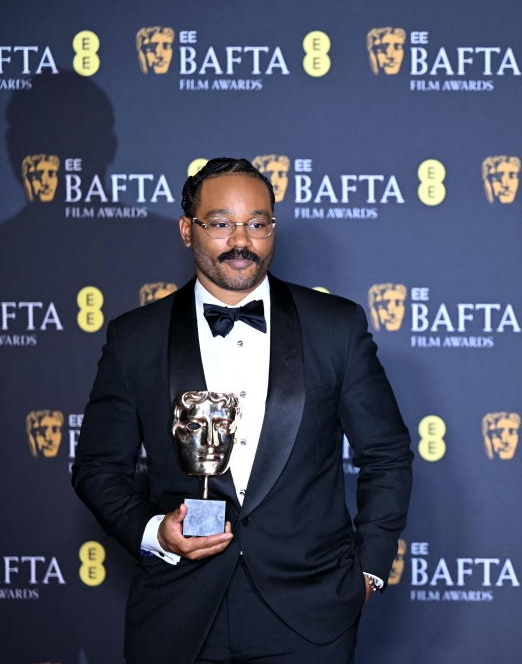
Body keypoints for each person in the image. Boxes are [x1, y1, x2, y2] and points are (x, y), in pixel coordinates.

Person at [72, 157, 413, 664]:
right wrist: (153, 532)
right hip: (179, 611)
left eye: (257, 224)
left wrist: (367, 572)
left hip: (310, 613)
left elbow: (386, 455)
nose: (241, 241)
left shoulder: (335, 326)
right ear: (188, 230)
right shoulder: (135, 338)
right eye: (221, 224)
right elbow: (98, 469)